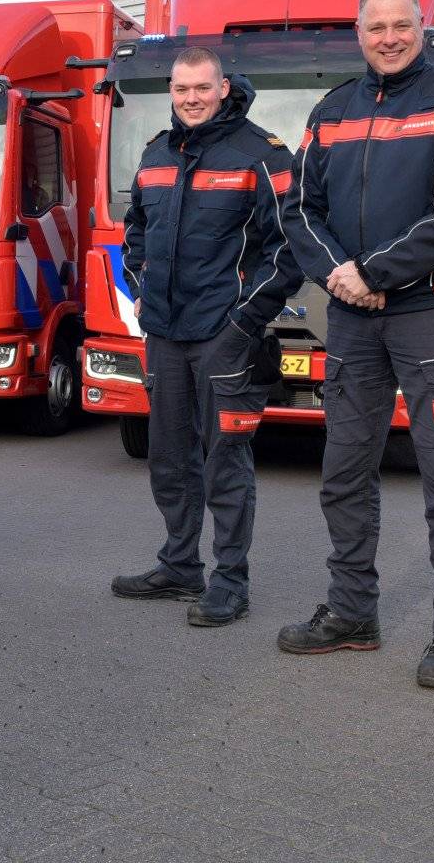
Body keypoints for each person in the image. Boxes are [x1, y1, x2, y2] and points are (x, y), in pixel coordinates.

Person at [275, 0, 434, 688]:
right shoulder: (332, 109)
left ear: (420, 27)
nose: (389, 37)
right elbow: (299, 208)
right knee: (343, 472)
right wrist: (341, 275)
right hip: (352, 317)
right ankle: (351, 613)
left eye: (402, 25)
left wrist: (373, 272)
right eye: (377, 27)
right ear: (359, 32)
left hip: (433, 312)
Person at [111, 46, 301, 628]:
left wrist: (244, 317)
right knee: (168, 456)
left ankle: (230, 579)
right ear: (171, 92)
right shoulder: (155, 153)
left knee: (226, 458)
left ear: (222, 88)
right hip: (164, 330)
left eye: (201, 88)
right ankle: (179, 564)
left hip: (225, 333)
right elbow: (135, 232)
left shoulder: (261, 154)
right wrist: (140, 289)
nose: (191, 98)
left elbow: (289, 247)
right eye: (181, 89)